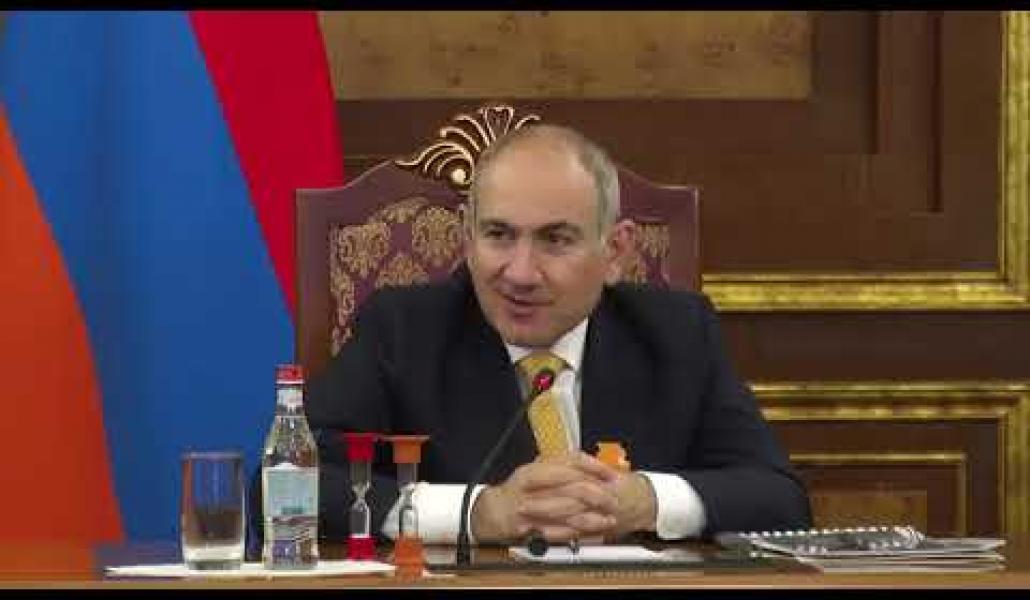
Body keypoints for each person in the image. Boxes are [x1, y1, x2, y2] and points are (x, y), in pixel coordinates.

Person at [302, 124, 811, 547]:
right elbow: (294, 484)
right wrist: (478, 513)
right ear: (467, 237)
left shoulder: (677, 333)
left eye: (555, 240)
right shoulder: (403, 330)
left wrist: (644, 501)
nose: (520, 273)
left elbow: (779, 497)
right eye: (498, 235)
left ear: (615, 251)